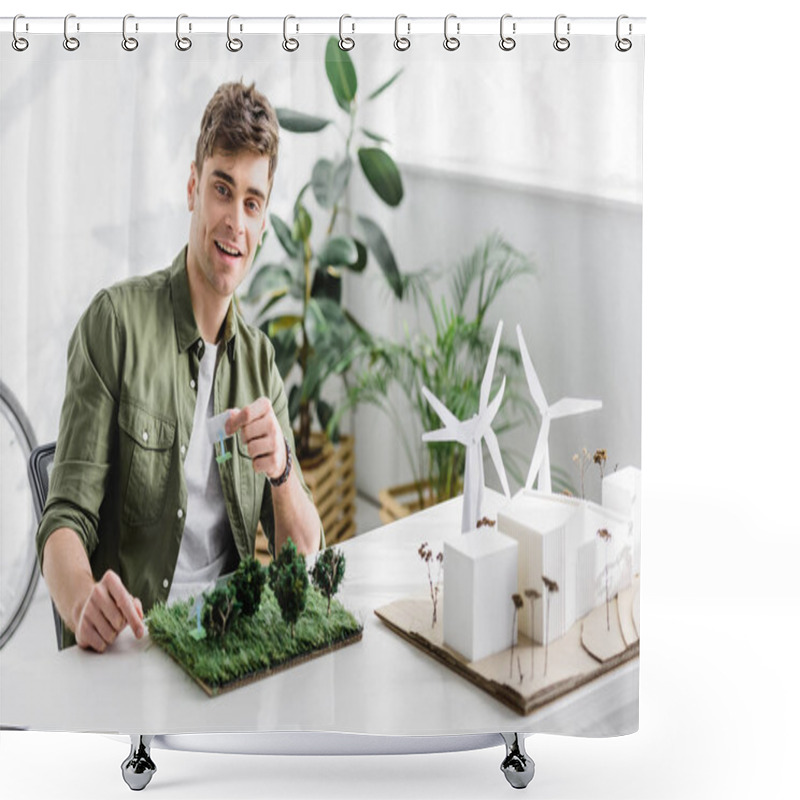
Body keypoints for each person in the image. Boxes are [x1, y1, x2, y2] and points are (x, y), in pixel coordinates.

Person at [35, 81, 322, 652]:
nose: (234, 222)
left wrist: (283, 470)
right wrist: (81, 600)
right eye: (222, 188)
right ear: (193, 188)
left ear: (263, 224)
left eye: (251, 201)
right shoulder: (114, 324)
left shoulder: (261, 364)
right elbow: (63, 520)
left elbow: (305, 555)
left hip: (228, 646)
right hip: (135, 650)